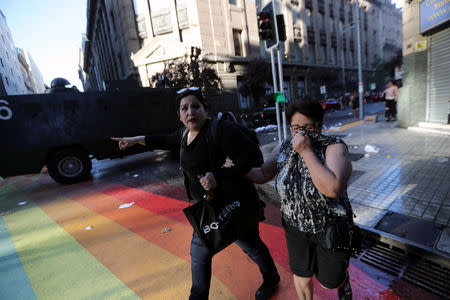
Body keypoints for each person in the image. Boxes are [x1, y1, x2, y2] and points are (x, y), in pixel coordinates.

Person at [111, 87, 279, 300]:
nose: (190, 112)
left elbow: (253, 157)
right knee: (201, 256)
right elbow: (163, 139)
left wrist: (218, 175)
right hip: (208, 211)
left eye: (195, 106)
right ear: (179, 115)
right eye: (184, 108)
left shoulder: (220, 129)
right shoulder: (183, 135)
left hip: (234, 204)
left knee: (251, 246)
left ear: (205, 109)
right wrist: (136, 139)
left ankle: (271, 278)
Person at [245, 100, 354, 300]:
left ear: (320, 126)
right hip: (295, 225)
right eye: (296, 128)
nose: (301, 134)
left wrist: (306, 151)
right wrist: (237, 168)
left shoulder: (334, 147)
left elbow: (332, 188)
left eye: (307, 128)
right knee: (301, 275)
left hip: (329, 226)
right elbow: (263, 173)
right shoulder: (284, 146)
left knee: (329, 282)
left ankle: (342, 281)